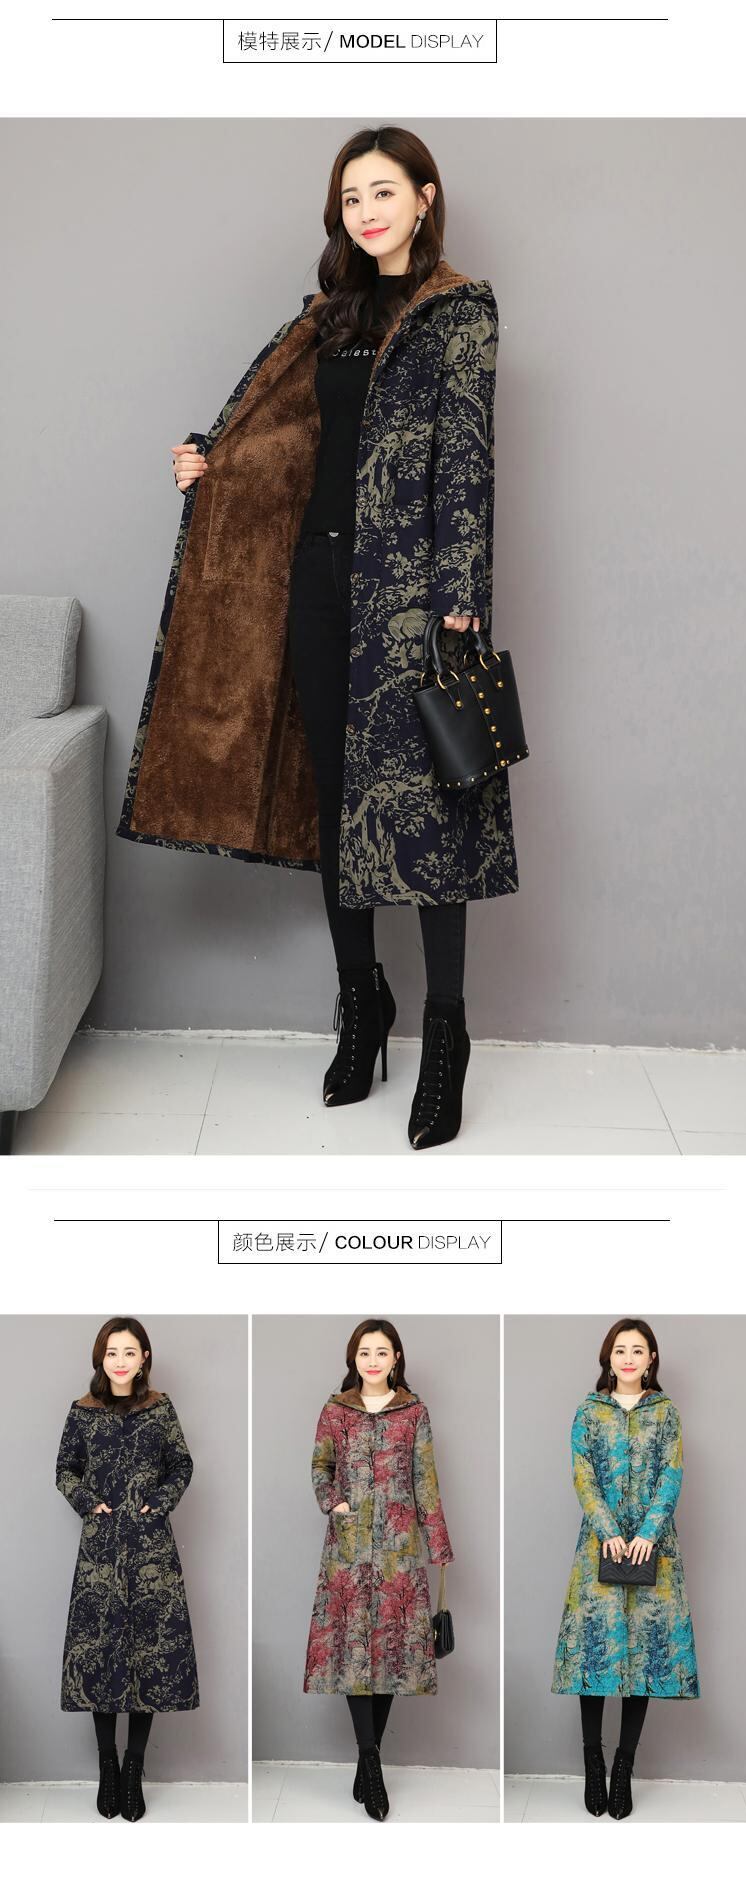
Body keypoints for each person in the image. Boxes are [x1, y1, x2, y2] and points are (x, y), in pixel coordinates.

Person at [118, 123, 520, 1150]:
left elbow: (467, 459)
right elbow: (287, 441)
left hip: (412, 598)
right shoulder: (328, 317)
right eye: (351, 197)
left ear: (425, 197)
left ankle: (447, 1036)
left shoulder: (458, 311)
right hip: (317, 584)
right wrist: (209, 461)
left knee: (429, 813)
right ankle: (360, 1003)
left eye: (384, 191)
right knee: (339, 803)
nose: (367, 211)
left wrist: (461, 593)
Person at [303, 1319, 453, 1819]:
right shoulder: (335, 1410)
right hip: (347, 1551)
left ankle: (368, 1760)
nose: (372, 1360)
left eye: (381, 1352)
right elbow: (320, 1466)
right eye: (364, 1352)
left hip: (399, 1550)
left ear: (396, 1359)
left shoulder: (414, 1412)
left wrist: (438, 1545)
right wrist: (334, 1503)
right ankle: (372, 1762)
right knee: (352, 1653)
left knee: (390, 1653)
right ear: (354, 1358)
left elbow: (425, 1479)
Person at [551, 1318, 699, 1819]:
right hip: (601, 1547)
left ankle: (623, 1766)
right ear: (608, 1358)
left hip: (654, 1549)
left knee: (646, 1661)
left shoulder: (666, 1412)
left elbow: (672, 1474)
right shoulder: (589, 1411)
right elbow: (582, 1474)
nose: (629, 1358)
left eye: (638, 1350)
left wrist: (648, 1533)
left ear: (651, 1358)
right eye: (620, 1350)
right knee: (593, 1657)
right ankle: (592, 1762)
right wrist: (607, 1529)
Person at [55, 1317, 199, 1821]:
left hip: (152, 1552)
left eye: (129, 1352)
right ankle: (108, 1766)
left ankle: (135, 1767)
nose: (120, 1361)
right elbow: (65, 1469)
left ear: (144, 1359)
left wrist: (158, 1503)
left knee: (148, 1656)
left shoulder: (160, 1409)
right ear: (101, 1358)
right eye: (112, 1352)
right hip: (100, 1554)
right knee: (100, 1655)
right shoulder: (83, 1412)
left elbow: (181, 1465)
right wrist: (88, 1502)